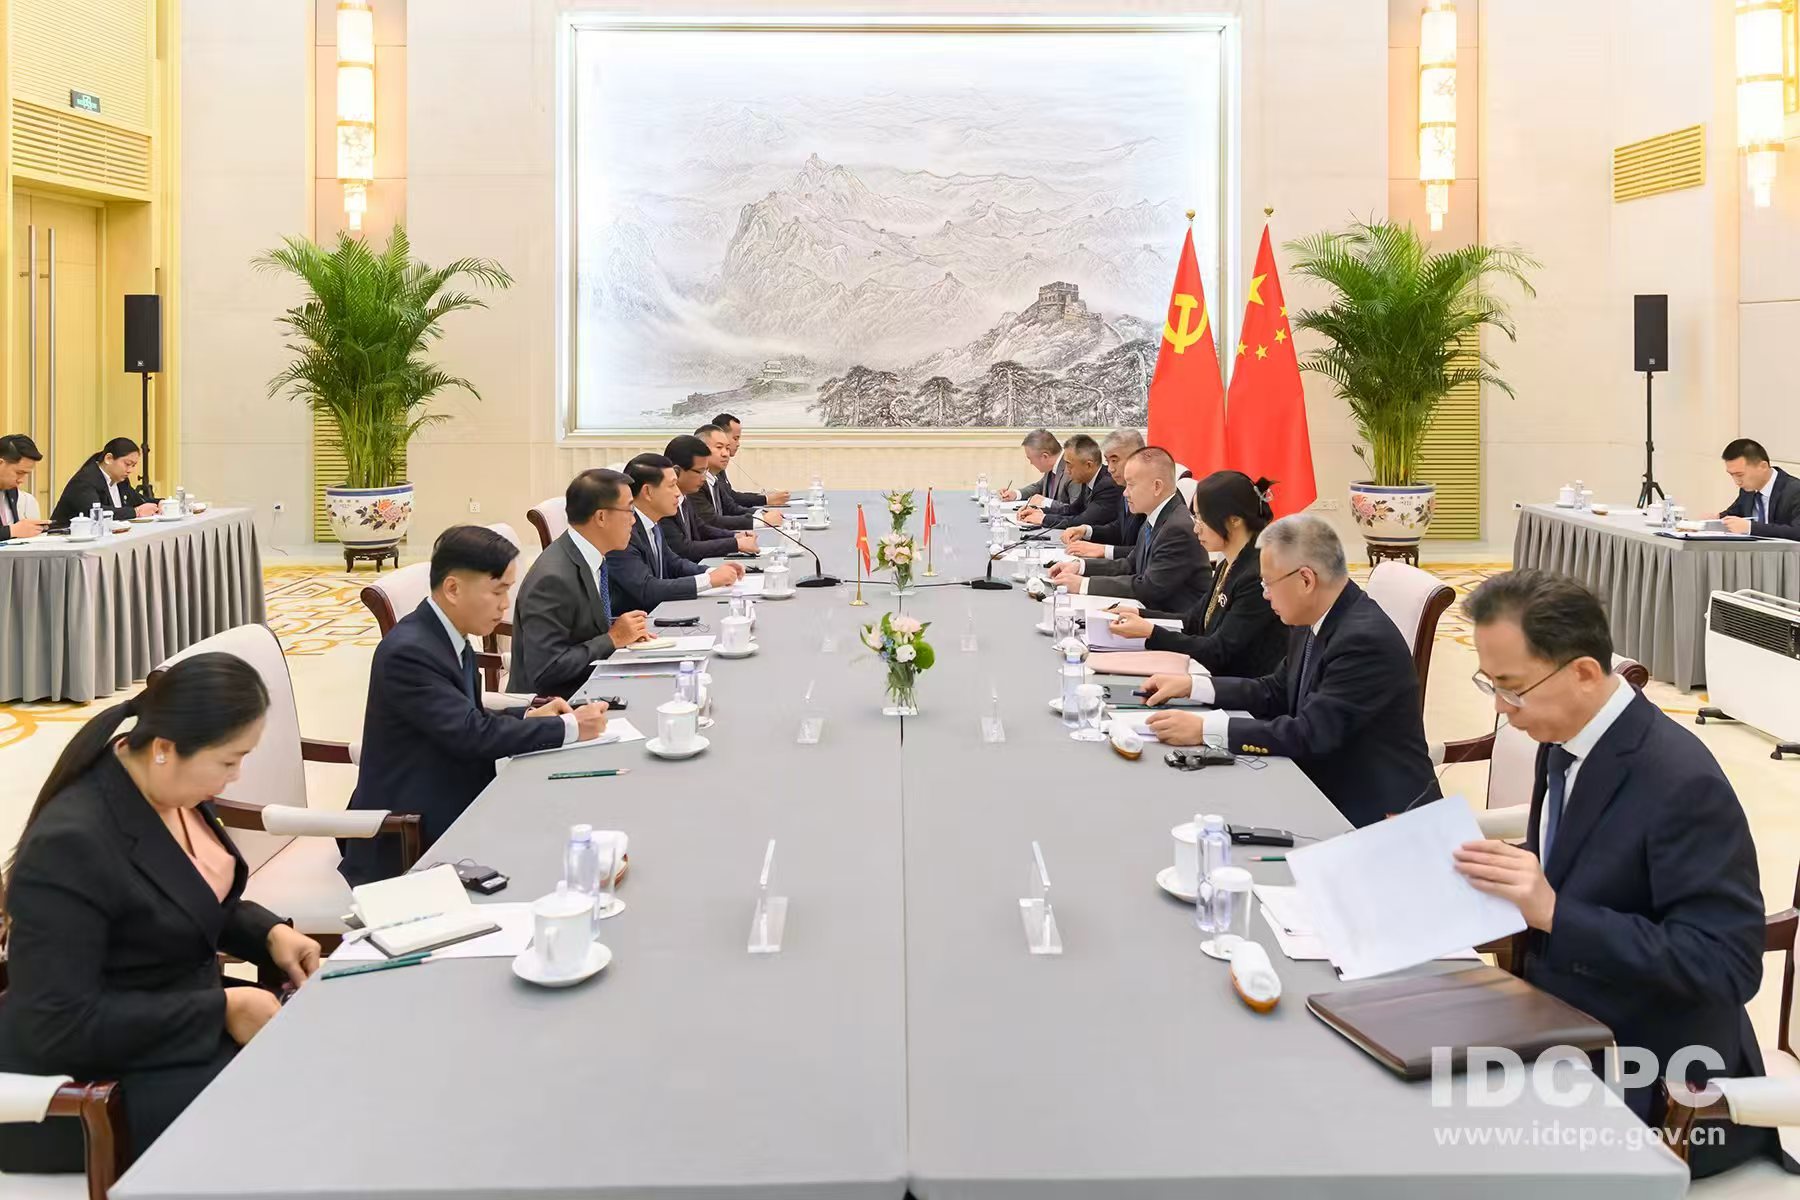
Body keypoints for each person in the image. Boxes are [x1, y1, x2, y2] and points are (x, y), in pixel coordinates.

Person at [1451, 570, 1775, 1177]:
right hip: (1558, 1024)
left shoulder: (1682, 783)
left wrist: (1555, 912)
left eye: (1511, 689)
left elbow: (1726, 965)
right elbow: (1576, 857)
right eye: (1490, 684)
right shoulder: (1565, 734)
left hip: (1656, 1077)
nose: (1500, 708)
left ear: (1582, 672)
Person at [0, 653, 321, 1174]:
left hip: (164, 1029)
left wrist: (267, 935)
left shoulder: (167, 785)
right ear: (166, 749)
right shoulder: (70, 844)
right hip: (87, 1090)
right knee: (293, 1117)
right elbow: (57, 1025)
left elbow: (182, 898)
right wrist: (220, 1010)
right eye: (229, 761)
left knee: (318, 1067)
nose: (236, 777)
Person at [341, 526, 608, 883]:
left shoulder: (449, 634)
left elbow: (465, 714)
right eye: (497, 591)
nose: (505, 604)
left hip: (458, 796)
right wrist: (569, 728)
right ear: (453, 589)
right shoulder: (408, 652)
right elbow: (471, 734)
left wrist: (529, 715)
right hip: (412, 833)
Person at [1139, 513, 1438, 828]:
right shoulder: (1314, 615)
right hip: (1321, 784)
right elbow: (1275, 690)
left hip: (1377, 816)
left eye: (1268, 583)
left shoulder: (1362, 641)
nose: (1265, 594)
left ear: (1306, 580)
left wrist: (1205, 729)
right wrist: (1193, 686)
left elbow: (1309, 734)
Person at [1108, 471, 1287, 678]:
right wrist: (1139, 614)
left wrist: (1151, 633)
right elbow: (1192, 621)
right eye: (1195, 517)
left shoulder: (1257, 576)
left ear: (1234, 520)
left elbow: (1218, 651)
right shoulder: (1229, 563)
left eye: (1202, 518)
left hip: (1236, 685)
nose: (1195, 528)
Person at [508, 469, 652, 699]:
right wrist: (612, 639)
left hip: (594, 684)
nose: (634, 520)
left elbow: (584, 627)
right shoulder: (553, 579)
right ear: (601, 517)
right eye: (629, 510)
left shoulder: (591, 557)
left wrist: (627, 630)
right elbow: (546, 669)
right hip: (557, 704)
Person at [1045, 447, 1210, 611]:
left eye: (1131, 485)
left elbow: (1148, 588)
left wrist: (1083, 585)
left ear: (1157, 487)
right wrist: (1080, 566)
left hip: (1171, 620)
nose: (1125, 493)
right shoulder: (1155, 517)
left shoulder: (1177, 529)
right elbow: (1129, 565)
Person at [606, 454, 745, 614]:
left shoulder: (652, 522)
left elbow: (674, 563)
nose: (678, 493)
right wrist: (709, 580)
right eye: (672, 486)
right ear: (648, 492)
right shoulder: (624, 531)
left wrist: (711, 571)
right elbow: (646, 588)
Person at [664, 434, 758, 561]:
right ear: (677, 472)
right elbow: (684, 549)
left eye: (706, 471)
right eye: (699, 472)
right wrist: (735, 544)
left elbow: (701, 529)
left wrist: (735, 536)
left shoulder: (684, 496)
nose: (704, 478)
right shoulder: (664, 504)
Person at [1058, 428, 1146, 558]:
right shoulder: (1125, 488)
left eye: (1115, 460)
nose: (1110, 469)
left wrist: (1104, 550)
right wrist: (1087, 531)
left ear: (1137, 457)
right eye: (1108, 461)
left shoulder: (1149, 493)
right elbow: (1120, 529)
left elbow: (1147, 552)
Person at [1015, 434, 1120, 531]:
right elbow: (1072, 510)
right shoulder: (1087, 479)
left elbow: (1083, 521)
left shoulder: (1108, 485)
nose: (1066, 470)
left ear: (1088, 465)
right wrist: (1040, 511)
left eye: (1069, 465)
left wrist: (1044, 519)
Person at [50, 437, 160, 523]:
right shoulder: (84, 481)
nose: (130, 470)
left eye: (133, 465)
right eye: (127, 464)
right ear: (109, 459)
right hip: (63, 536)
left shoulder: (121, 480)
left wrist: (160, 503)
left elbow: (138, 500)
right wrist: (136, 512)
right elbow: (95, 512)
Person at [693, 425, 780, 531]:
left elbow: (730, 508)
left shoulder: (715, 477)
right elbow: (711, 521)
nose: (726, 454)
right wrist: (762, 521)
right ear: (700, 450)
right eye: (719, 447)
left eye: (727, 448)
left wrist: (762, 514)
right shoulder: (694, 483)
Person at [1713, 437, 1799, 540]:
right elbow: (1733, 514)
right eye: (1732, 475)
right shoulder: (1748, 491)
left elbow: (1797, 531)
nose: (1737, 482)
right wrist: (1715, 519)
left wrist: (1751, 528)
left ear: (1763, 467)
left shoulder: (1795, 490)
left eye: (1740, 475)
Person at [712, 412, 790, 506]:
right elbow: (730, 501)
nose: (738, 444)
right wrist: (766, 500)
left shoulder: (719, 464)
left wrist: (764, 496)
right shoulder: (708, 467)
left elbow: (730, 495)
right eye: (735, 438)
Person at [998, 429, 1068, 505]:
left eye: (1030, 459)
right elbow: (1039, 487)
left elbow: (1074, 509)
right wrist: (1015, 494)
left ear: (1044, 456)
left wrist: (1045, 502)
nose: (1031, 463)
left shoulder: (1071, 470)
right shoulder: (1051, 466)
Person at [0, 433, 46, 542]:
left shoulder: (12, 491)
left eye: (26, 474)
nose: (22, 480)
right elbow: (13, 531)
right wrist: (12, 531)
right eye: (19, 473)